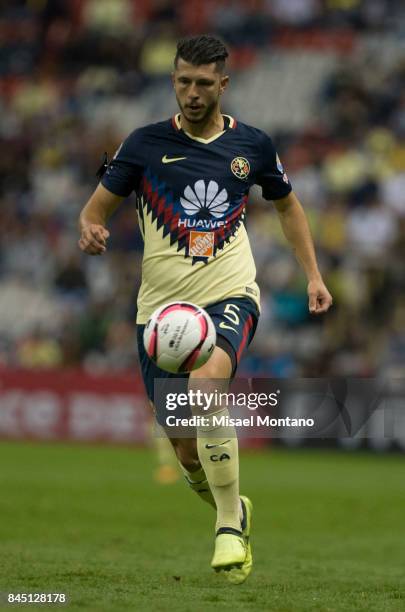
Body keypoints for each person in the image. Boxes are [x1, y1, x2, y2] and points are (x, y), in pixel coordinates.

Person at [78, 35, 333, 584]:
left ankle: (226, 528)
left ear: (223, 84)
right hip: (160, 317)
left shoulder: (253, 147)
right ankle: (235, 508)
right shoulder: (143, 145)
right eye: (182, 82)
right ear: (174, 81)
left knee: (206, 387)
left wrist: (313, 274)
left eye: (202, 83)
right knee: (186, 451)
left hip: (229, 295)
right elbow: (95, 210)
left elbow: (289, 207)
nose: (191, 93)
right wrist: (92, 230)